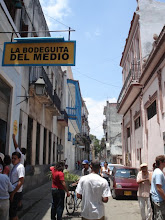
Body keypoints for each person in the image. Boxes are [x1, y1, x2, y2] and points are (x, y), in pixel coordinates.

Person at [9, 151, 25, 220]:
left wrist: (13, 193)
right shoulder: (14, 166)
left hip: (16, 192)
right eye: (12, 158)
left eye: (15, 158)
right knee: (12, 212)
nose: (13, 160)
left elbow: (21, 181)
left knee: (13, 213)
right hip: (13, 191)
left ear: (19, 159)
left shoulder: (20, 167)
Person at [151, 155, 165, 220]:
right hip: (159, 200)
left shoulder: (158, 171)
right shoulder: (159, 173)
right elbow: (159, 188)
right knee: (160, 217)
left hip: (157, 199)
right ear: (160, 162)